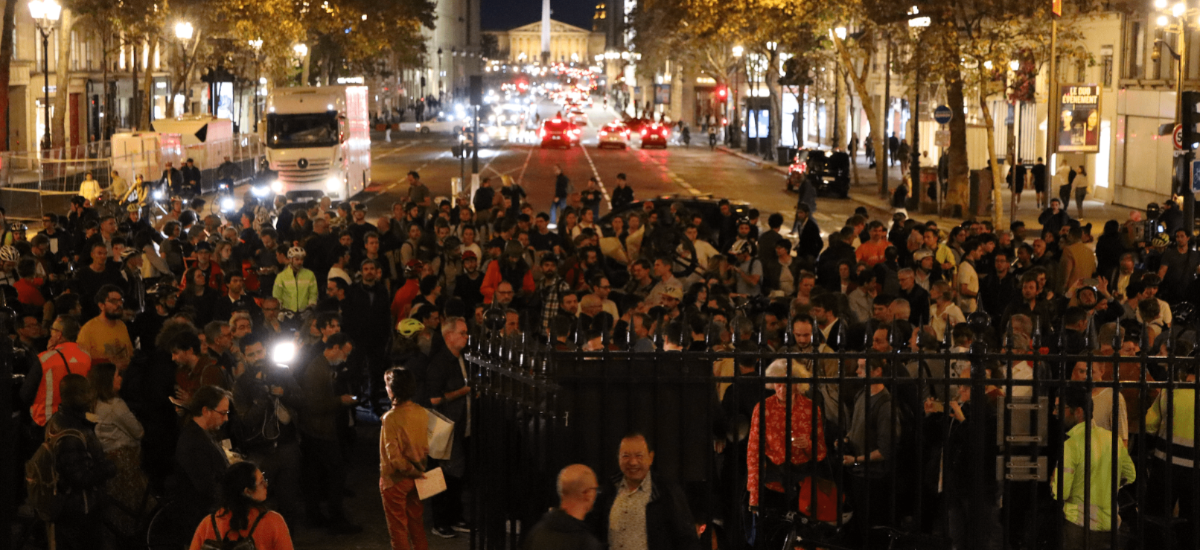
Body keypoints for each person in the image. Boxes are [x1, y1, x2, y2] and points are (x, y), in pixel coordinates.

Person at [1051, 386, 1135, 550]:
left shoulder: (1072, 445)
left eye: (1060, 408)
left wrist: (1054, 481)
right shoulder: (1112, 440)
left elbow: (1062, 492)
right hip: (1109, 526)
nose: (1055, 413)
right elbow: (1130, 475)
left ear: (1079, 412)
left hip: (1078, 525)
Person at [587, 433, 699, 550]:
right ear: (618, 458)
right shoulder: (607, 491)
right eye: (626, 456)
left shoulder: (667, 492)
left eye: (639, 455)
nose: (633, 462)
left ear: (650, 457)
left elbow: (687, 539)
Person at [43, 374, 117, 550]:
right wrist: (108, 468)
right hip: (80, 508)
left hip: (68, 506)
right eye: (88, 391)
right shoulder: (73, 431)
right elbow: (80, 477)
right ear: (80, 395)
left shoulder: (57, 420)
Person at [298, 333, 362, 534]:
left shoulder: (323, 365)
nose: (345, 358)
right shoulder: (317, 370)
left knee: (316, 475)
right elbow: (314, 405)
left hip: (318, 430)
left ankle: (316, 515)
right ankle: (336, 518)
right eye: (345, 353)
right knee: (335, 473)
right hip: (320, 432)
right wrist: (340, 400)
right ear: (334, 348)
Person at [88, 363, 150, 538]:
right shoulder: (116, 405)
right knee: (130, 503)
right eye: (117, 375)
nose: (121, 378)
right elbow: (138, 432)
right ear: (108, 380)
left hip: (104, 458)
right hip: (124, 460)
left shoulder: (92, 404)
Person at [426, 317, 472, 538]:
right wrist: (461, 393)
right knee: (440, 473)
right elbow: (434, 399)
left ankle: (454, 516)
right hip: (442, 428)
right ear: (448, 336)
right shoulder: (439, 363)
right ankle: (440, 520)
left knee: (455, 473)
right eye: (462, 333)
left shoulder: (462, 358)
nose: (466, 336)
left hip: (460, 425)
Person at [188, 461, 295, 550]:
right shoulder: (273, 522)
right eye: (262, 482)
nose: (266, 485)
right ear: (247, 491)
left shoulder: (207, 524)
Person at [379, 367, 430, 550]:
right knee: (417, 524)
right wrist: (419, 471)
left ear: (392, 389)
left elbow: (394, 458)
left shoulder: (390, 418)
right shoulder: (421, 412)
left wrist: (409, 470)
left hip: (395, 480)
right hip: (418, 478)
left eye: (387, 384)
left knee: (398, 529)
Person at [175, 386, 233, 540]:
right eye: (223, 413)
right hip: (202, 522)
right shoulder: (194, 442)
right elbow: (207, 488)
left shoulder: (201, 434)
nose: (226, 418)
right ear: (206, 411)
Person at [523, 465, 602, 550]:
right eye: (594, 489)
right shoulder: (586, 543)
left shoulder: (536, 532)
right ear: (587, 494)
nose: (595, 494)